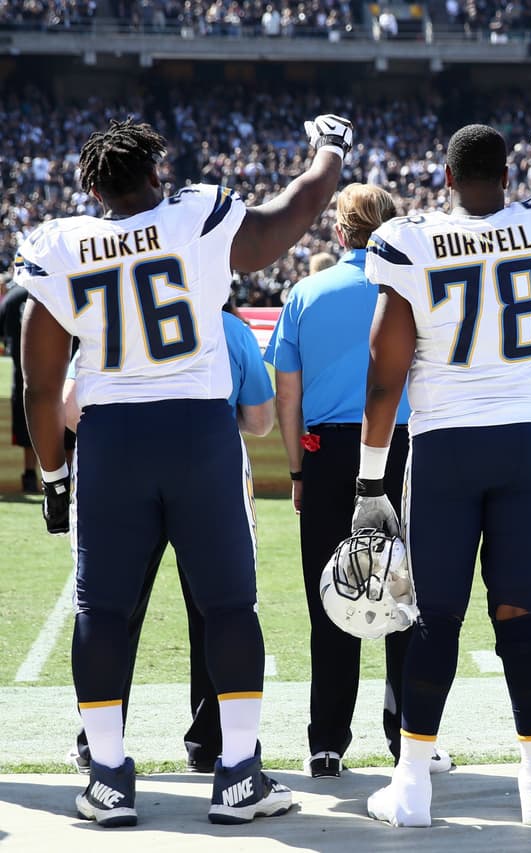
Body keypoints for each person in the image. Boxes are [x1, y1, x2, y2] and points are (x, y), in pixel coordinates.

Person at [16, 113, 354, 826]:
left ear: (92, 188)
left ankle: (107, 779)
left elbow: (40, 384)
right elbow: (294, 211)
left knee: (101, 610)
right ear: (155, 174)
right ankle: (237, 773)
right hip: (199, 432)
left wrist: (52, 477)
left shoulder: (62, 243)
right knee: (230, 606)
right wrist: (330, 148)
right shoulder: (197, 214)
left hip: (110, 440)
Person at [352, 122, 531, 827]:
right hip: (527, 440)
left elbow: (384, 377)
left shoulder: (409, 237)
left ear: (446, 179)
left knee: (435, 615)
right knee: (523, 611)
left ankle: (412, 785)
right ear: (508, 176)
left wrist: (369, 482)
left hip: (445, 444)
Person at [265, 183, 449, 779]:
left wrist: (299, 467)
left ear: (339, 233)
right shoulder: (410, 283)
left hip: (326, 453)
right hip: (401, 448)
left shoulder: (306, 292)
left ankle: (326, 742)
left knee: (330, 596)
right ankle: (409, 739)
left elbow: (286, 395)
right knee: (407, 597)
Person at [69, 302, 274, 774]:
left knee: (112, 610)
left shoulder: (109, 313)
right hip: (207, 467)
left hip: (121, 465)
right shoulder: (231, 330)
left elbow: (66, 408)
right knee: (220, 609)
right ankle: (216, 745)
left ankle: (100, 749)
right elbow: (261, 421)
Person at [0, 282, 39, 493]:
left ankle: (30, 475)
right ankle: (66, 480)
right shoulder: (57, 288)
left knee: (29, 431)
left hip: (24, 378)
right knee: (66, 433)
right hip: (61, 375)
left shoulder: (13, 296)